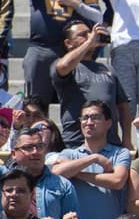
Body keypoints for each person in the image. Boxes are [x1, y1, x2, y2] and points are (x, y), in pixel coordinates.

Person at [10, 0, 102, 103]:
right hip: (40, 48)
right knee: (35, 104)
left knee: (72, 102)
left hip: (71, 51)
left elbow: (98, 16)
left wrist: (75, 4)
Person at [50, 100, 131, 219]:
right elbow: (56, 173)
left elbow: (117, 181)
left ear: (109, 123)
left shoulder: (120, 153)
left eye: (95, 117)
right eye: (85, 118)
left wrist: (77, 173)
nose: (89, 122)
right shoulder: (68, 154)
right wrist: (93, 158)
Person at [52, 20, 130, 149]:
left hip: (110, 143)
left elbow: (123, 106)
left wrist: (127, 139)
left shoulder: (107, 68)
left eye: (90, 33)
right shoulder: (64, 65)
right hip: (76, 144)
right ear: (68, 43)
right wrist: (89, 43)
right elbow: (63, 66)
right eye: (83, 35)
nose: (89, 36)